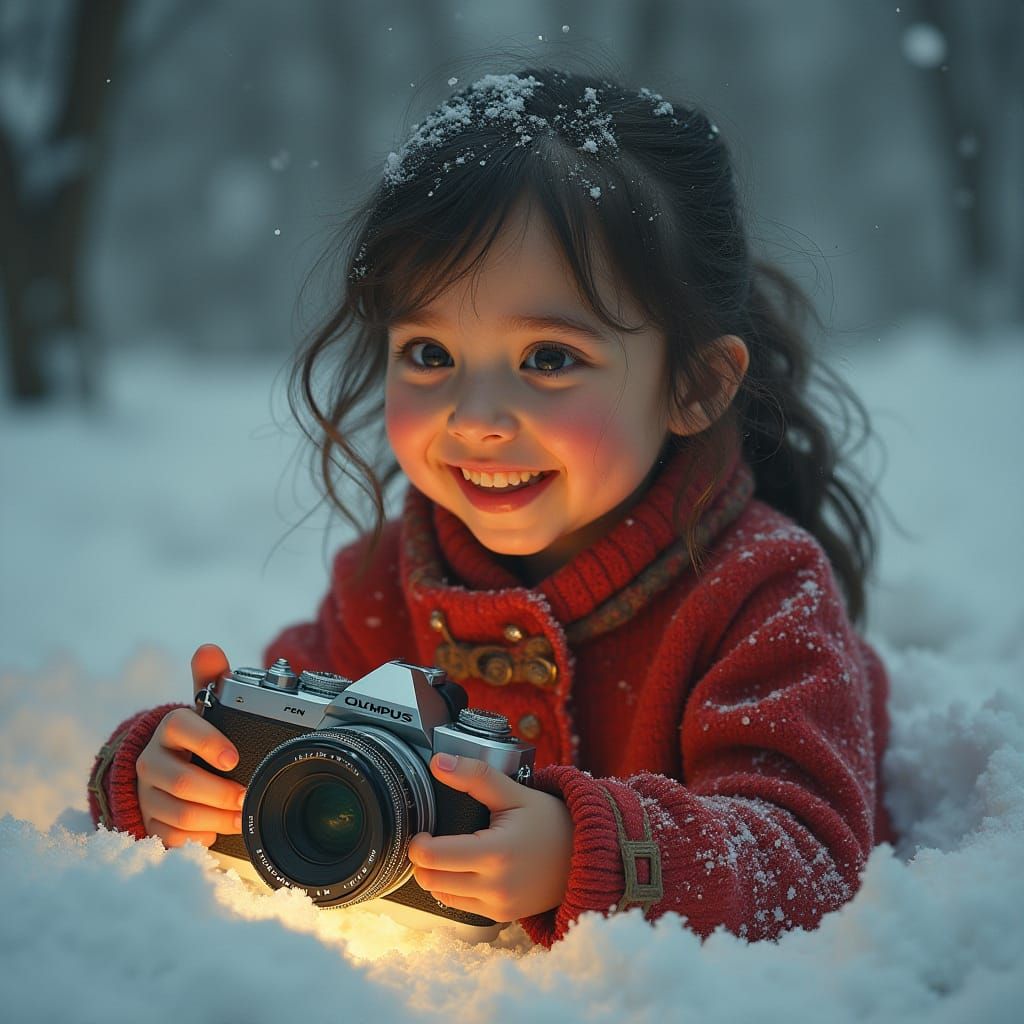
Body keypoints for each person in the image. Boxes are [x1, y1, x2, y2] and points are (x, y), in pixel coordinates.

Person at [88, 68, 893, 947]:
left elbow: (810, 861)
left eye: (547, 359)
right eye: (429, 353)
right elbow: (280, 758)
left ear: (694, 385)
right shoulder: (386, 581)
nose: (473, 419)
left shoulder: (762, 592)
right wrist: (161, 772)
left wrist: (585, 853)